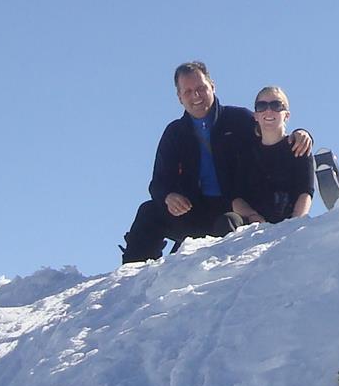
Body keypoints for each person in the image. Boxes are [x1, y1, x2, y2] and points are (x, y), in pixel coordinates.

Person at [120, 62, 310, 264]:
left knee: (228, 223)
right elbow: (158, 183)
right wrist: (169, 196)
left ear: (212, 86)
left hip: (236, 209)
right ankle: (133, 276)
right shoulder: (175, 133)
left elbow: (271, 132)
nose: (196, 96)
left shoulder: (239, 119)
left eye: (201, 88)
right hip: (192, 211)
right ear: (179, 97)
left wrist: (302, 134)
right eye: (188, 91)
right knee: (148, 212)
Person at [231, 85, 315, 225]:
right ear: (256, 116)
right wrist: (253, 216)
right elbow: (236, 198)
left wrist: (293, 225)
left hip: (289, 229)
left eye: (276, 105)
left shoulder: (298, 147)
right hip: (253, 233)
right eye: (262, 106)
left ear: (286, 115)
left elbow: (305, 193)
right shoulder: (246, 154)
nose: (268, 110)